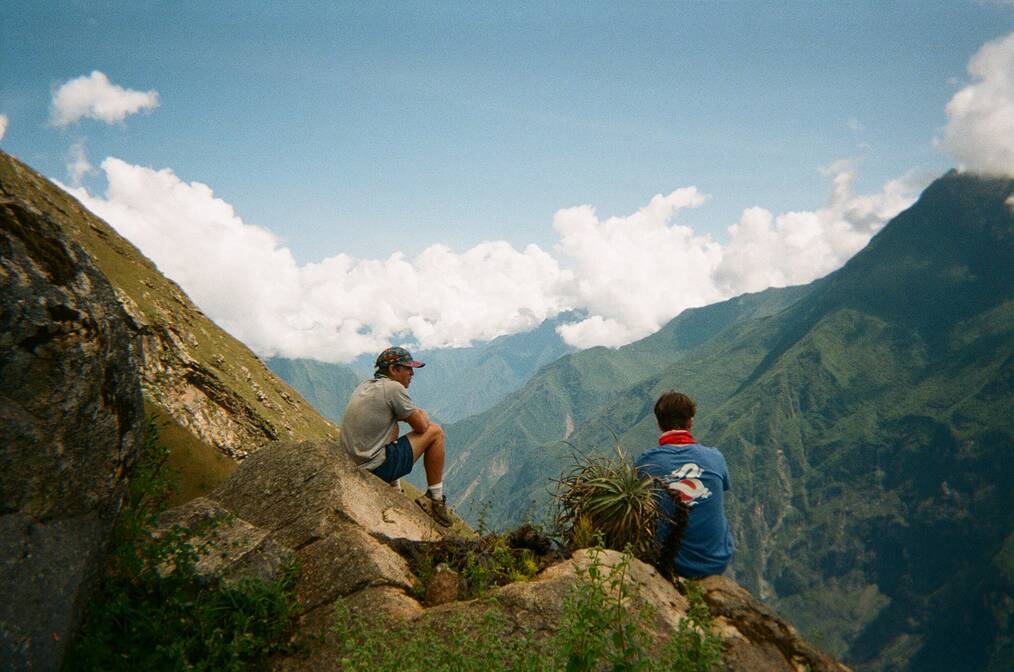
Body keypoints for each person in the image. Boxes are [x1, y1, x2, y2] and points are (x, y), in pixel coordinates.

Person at [339, 346, 452, 527]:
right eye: (407, 368)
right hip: (374, 467)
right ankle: (435, 499)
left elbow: (395, 417)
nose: (412, 373)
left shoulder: (365, 385)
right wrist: (420, 413)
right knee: (436, 432)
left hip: (353, 463)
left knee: (393, 423)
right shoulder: (393, 388)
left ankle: (394, 487)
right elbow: (422, 426)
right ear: (393, 370)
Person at [635, 390, 733, 578]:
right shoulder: (715, 457)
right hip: (716, 561)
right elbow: (722, 488)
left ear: (659, 424)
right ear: (690, 422)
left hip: (670, 562)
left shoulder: (646, 462)